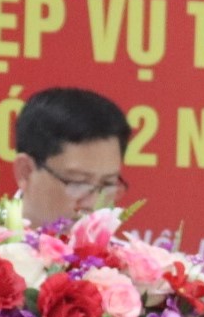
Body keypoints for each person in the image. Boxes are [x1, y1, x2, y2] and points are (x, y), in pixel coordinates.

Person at [12, 87, 131, 227]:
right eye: (78, 183)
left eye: (108, 184)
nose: (93, 203)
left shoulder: (120, 242)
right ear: (25, 172)